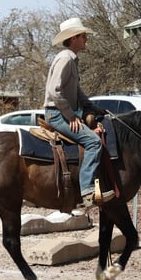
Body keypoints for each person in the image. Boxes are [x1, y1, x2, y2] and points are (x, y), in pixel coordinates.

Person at [44, 17, 115, 209]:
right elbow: (54, 90)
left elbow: (76, 92)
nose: (86, 39)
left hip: (61, 112)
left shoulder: (71, 59)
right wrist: (71, 116)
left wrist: (92, 107)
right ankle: (88, 191)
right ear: (74, 37)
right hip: (56, 114)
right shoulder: (65, 59)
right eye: (84, 36)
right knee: (93, 142)